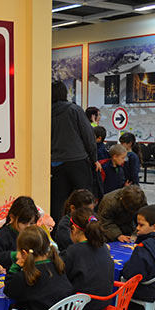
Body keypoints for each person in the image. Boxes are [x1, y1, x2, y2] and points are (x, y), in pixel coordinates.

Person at [51, 80, 100, 228]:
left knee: (58, 202)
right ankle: (86, 229)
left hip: (55, 163)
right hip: (77, 161)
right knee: (84, 200)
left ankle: (59, 232)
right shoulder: (74, 110)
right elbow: (88, 136)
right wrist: (94, 158)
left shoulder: (45, 111)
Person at [62, 207, 114, 310]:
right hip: (105, 300)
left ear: (74, 229)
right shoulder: (103, 246)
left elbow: (63, 276)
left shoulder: (73, 250)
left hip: (83, 304)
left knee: (58, 290)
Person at [0, 196, 40, 270]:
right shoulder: (3, 235)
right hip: (9, 272)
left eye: (31, 223)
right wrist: (14, 255)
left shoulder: (34, 234)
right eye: (23, 223)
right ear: (12, 217)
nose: (28, 227)